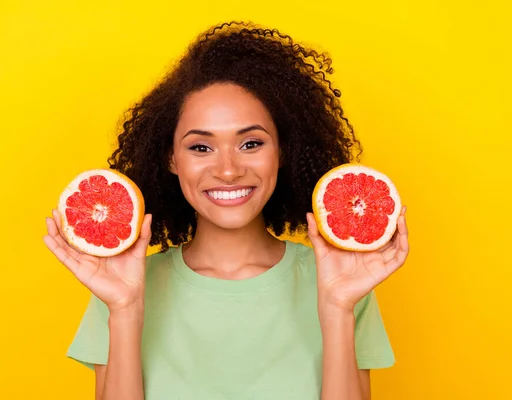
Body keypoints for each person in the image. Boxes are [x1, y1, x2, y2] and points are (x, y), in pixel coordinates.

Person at [43, 21, 409, 400]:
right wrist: (125, 310)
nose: (229, 170)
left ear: (282, 151)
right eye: (201, 147)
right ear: (170, 158)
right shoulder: (121, 284)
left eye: (251, 143)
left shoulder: (341, 280)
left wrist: (337, 310)